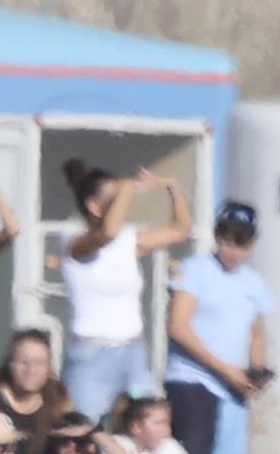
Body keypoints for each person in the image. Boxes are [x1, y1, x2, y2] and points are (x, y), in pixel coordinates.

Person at [163, 200, 274, 454]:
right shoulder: (195, 269)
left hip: (234, 389)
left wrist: (256, 373)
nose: (233, 250)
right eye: (227, 240)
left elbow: (256, 334)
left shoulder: (254, 283)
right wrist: (225, 370)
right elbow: (179, 327)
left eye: (241, 243)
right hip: (194, 380)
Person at [57, 160, 192, 420]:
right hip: (92, 355)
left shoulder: (127, 240)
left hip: (132, 352)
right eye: (115, 199)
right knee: (86, 430)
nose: (124, 204)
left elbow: (181, 229)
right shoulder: (74, 240)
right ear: (93, 207)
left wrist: (172, 188)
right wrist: (128, 186)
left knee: (149, 423)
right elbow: (106, 232)